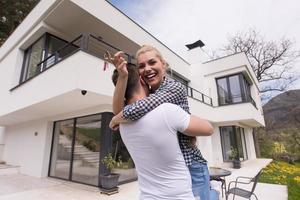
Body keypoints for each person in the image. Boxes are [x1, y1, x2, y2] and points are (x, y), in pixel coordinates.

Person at [110, 45, 216, 200]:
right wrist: (123, 77)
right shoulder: (150, 91)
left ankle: (214, 192)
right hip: (175, 169)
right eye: (141, 66)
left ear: (163, 64)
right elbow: (126, 108)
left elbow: (140, 107)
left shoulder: (173, 88)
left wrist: (115, 118)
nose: (147, 69)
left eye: (152, 63)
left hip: (192, 164)